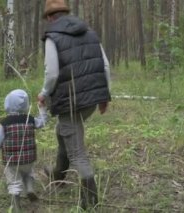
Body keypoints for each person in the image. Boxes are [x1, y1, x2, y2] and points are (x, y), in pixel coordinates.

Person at [38, 0, 111, 210]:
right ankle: (58, 175)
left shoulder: (52, 36)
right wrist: (104, 96)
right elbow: (105, 65)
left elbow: (51, 73)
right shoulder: (89, 31)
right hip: (91, 100)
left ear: (51, 17)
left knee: (77, 152)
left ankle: (90, 202)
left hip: (69, 101)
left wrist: (44, 93)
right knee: (63, 131)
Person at [0, 89, 47, 211]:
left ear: (8, 104)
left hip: (11, 161)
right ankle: (30, 188)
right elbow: (42, 123)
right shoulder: (30, 119)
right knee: (28, 173)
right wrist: (42, 109)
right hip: (29, 158)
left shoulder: (5, 123)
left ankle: (16, 207)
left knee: (14, 182)